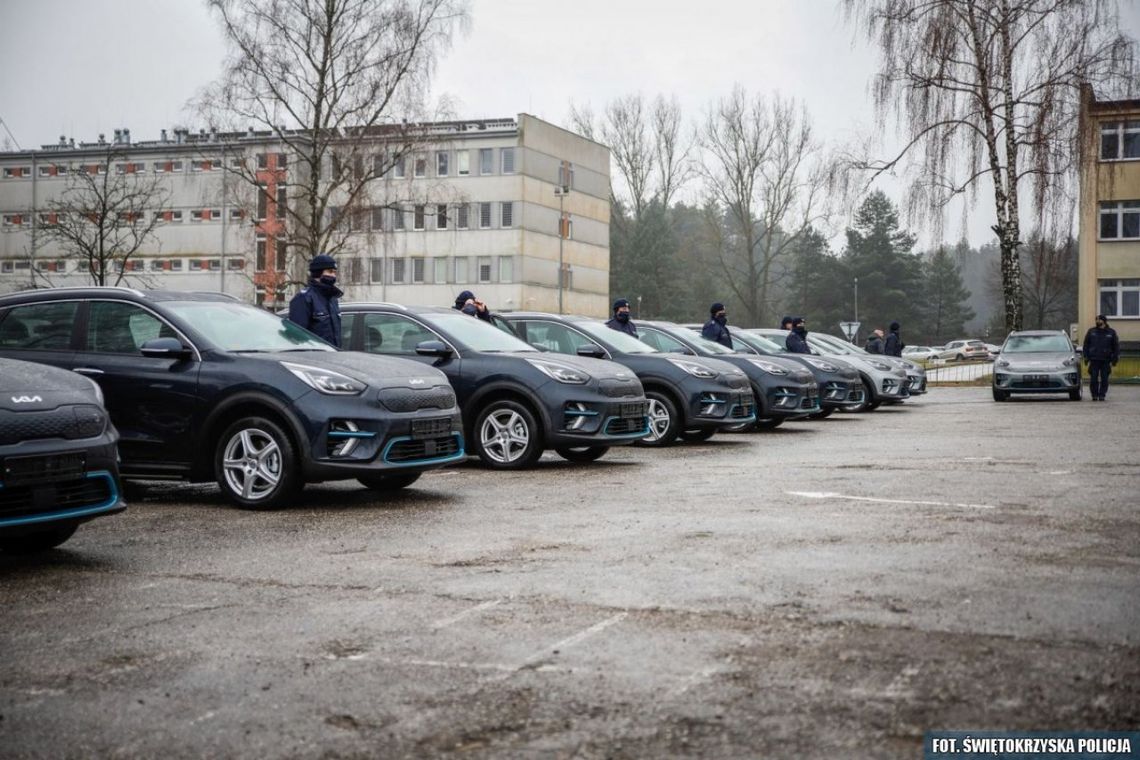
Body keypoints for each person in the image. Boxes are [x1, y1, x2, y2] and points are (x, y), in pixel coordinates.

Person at [288, 253, 343, 347]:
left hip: (333, 356)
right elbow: (297, 337)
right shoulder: (304, 298)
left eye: (334, 272)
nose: (333, 276)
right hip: (314, 357)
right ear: (318, 273)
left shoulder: (332, 299)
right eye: (330, 272)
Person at [1083, 314, 1120, 401]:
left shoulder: (1111, 332)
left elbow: (1116, 346)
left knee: (1104, 379)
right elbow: (1086, 345)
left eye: (1099, 320)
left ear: (1104, 321)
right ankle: (1094, 395)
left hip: (1106, 360)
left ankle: (1102, 394)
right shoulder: (1091, 331)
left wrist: (1115, 359)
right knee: (1093, 379)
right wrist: (1086, 356)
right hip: (1094, 359)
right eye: (1096, 320)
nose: (1097, 321)